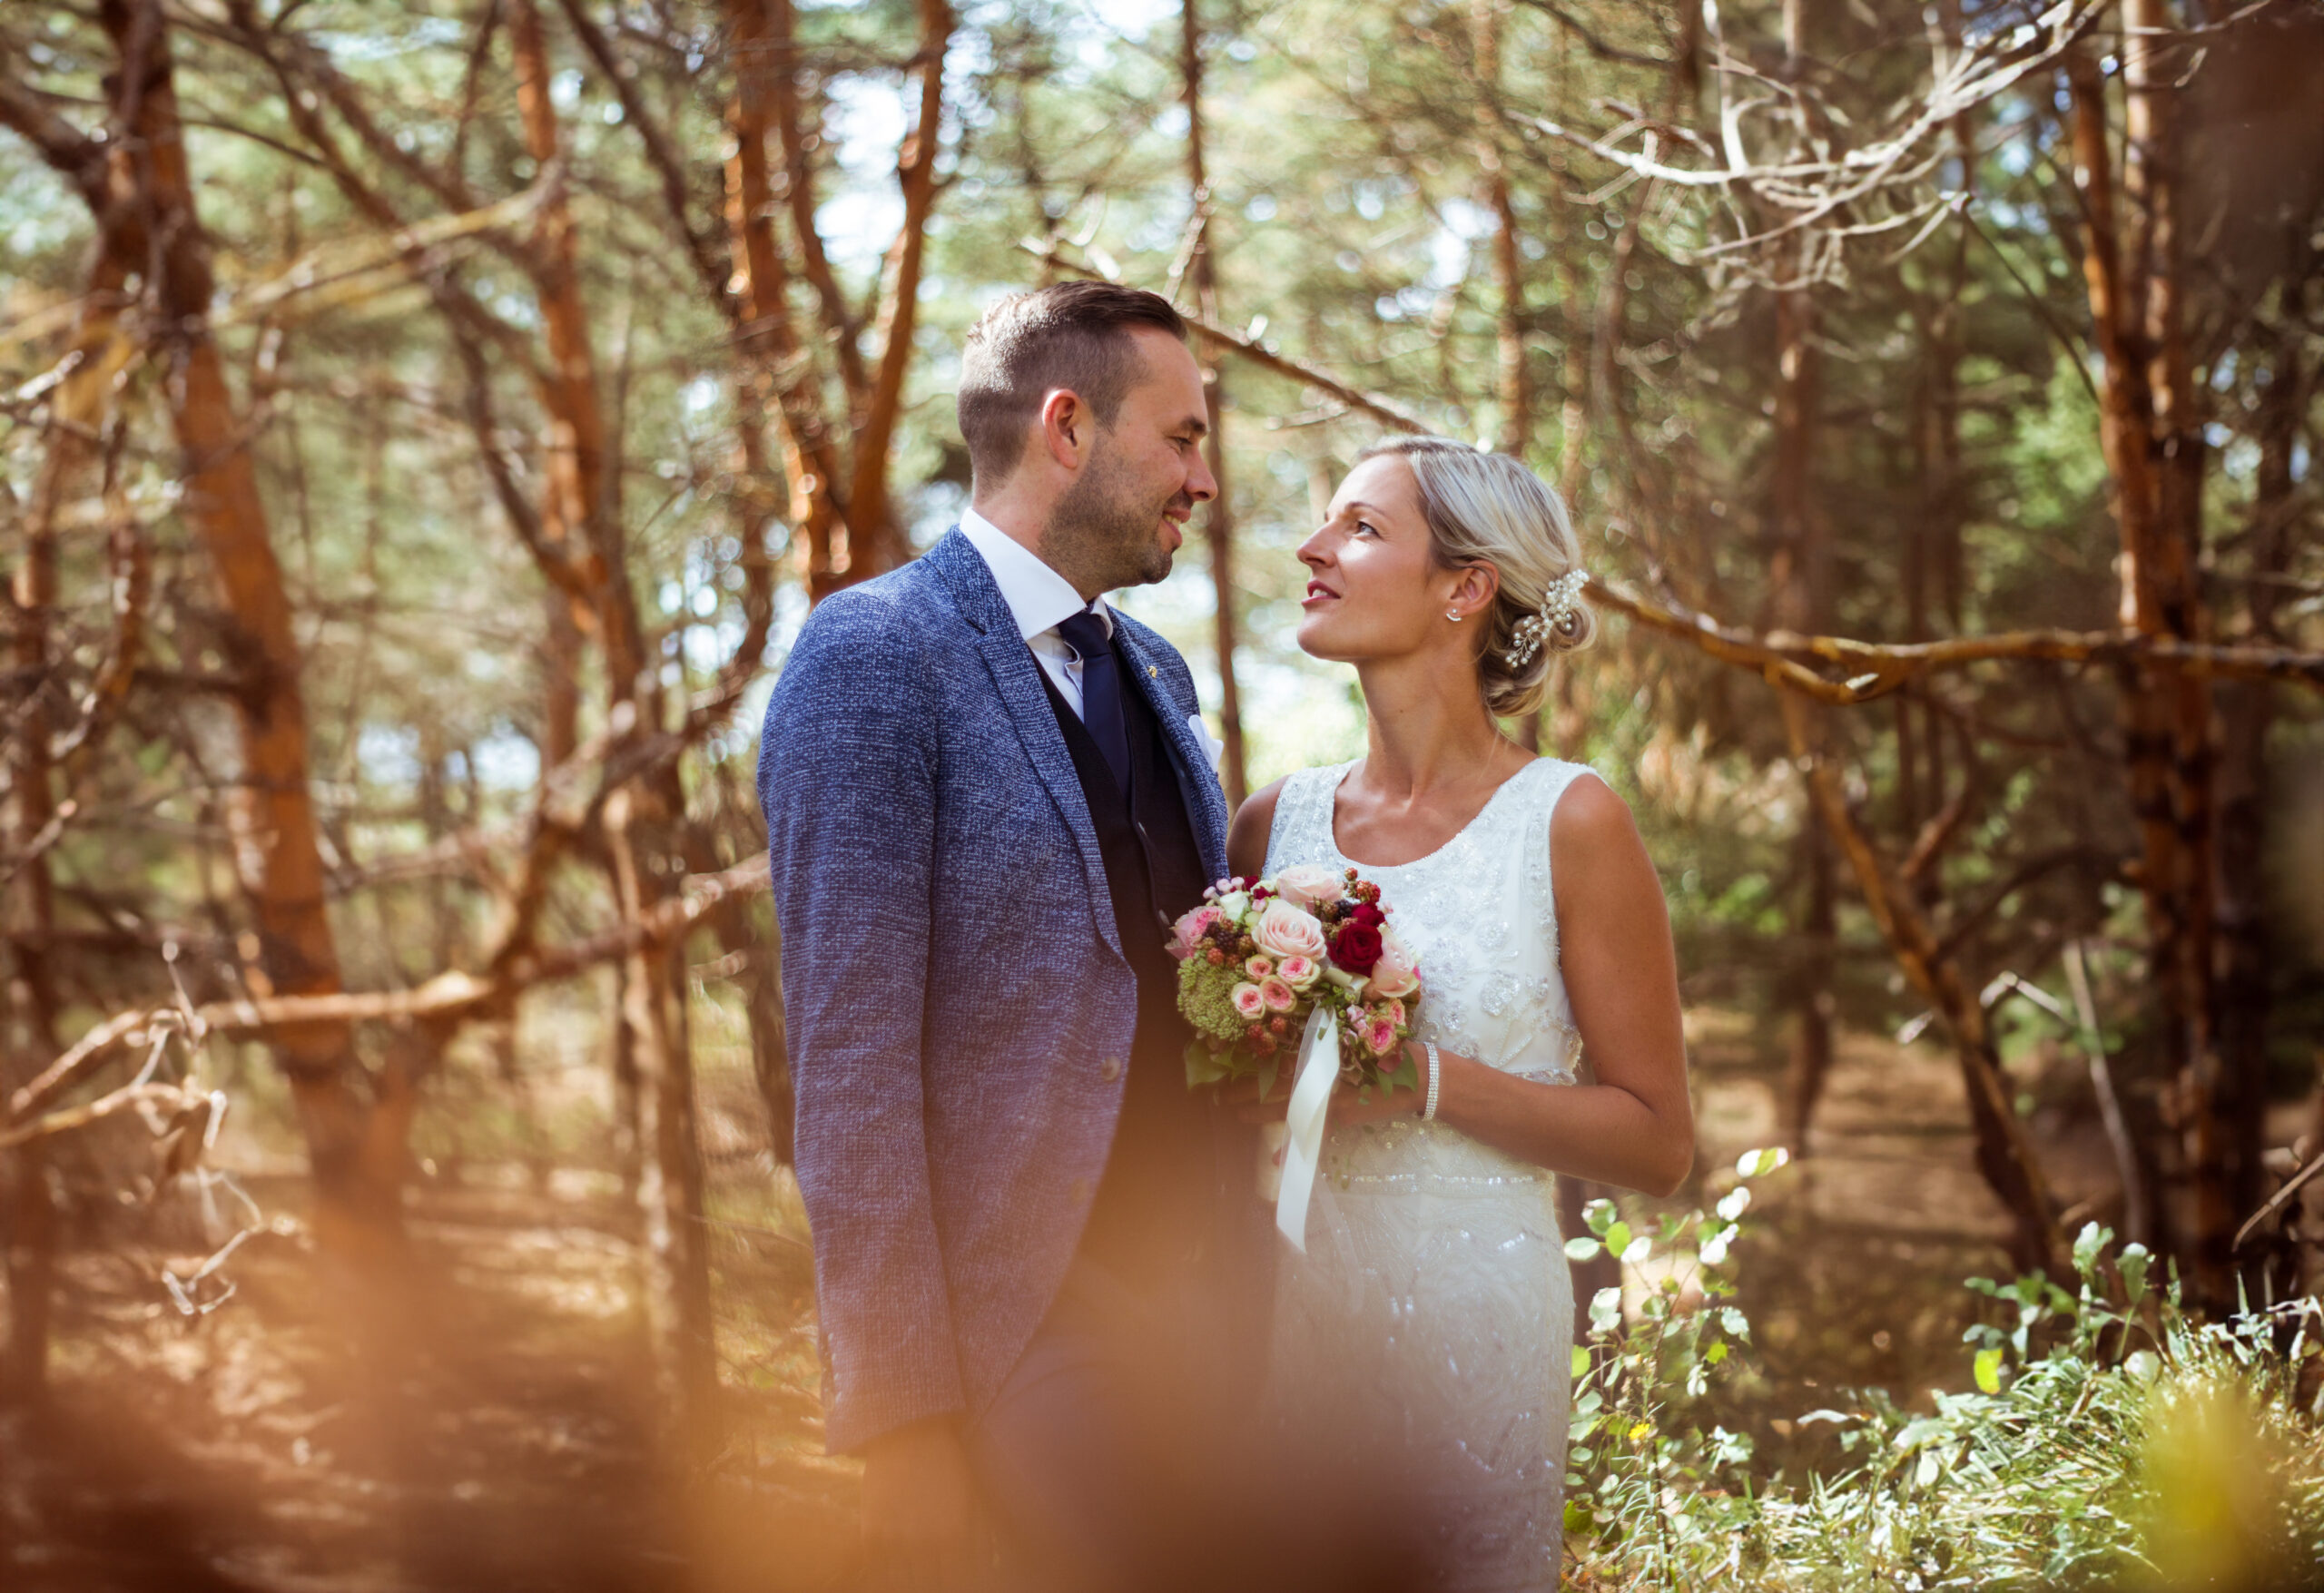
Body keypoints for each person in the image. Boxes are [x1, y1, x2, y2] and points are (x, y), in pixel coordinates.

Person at [758, 280, 1273, 1591]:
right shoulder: (875, 650)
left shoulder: (1157, 672)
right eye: (1184, 436)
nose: (1204, 478)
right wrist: (902, 1419)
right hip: (1016, 1332)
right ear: (1067, 427)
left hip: (1203, 1316)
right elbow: (848, 1053)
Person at [1233, 436, 1696, 1591]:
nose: (1312, 547)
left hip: (1476, 1325)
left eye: (1360, 527)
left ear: (1466, 588)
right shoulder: (1267, 828)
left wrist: (1427, 1084)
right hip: (1283, 1318)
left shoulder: (1570, 821)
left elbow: (1659, 1141)